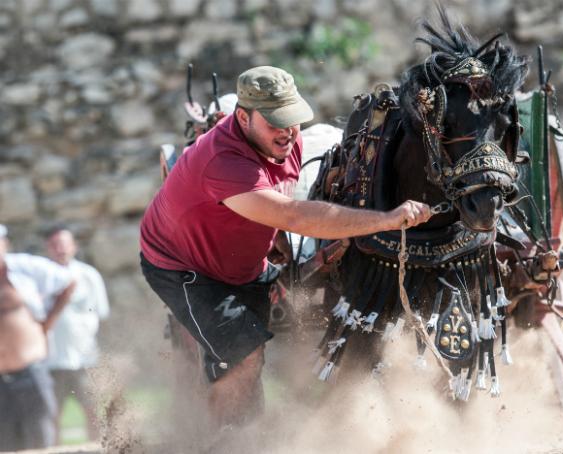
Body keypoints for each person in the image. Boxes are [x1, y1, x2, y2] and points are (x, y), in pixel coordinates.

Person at [139, 66, 432, 426]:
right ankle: (225, 445)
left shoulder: (282, 142)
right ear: (242, 117)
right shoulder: (224, 161)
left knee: (249, 354)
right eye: (276, 122)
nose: (288, 132)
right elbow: (294, 216)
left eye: (293, 120)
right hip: (184, 267)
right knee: (242, 356)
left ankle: (248, 434)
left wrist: (274, 239)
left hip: (242, 264)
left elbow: (275, 206)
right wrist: (387, 219)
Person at [0, 224, 76, 451]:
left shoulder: (24, 267)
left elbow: (68, 281)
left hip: (30, 370)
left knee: (40, 439)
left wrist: (47, 324)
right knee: (6, 443)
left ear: (5, 243)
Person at [45, 227, 109, 442]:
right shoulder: (42, 276)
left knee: (93, 413)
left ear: (74, 246)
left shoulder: (89, 275)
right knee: (51, 416)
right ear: (48, 248)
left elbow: (102, 315)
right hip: (51, 361)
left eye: (64, 243)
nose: (60, 249)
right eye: (55, 244)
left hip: (85, 358)